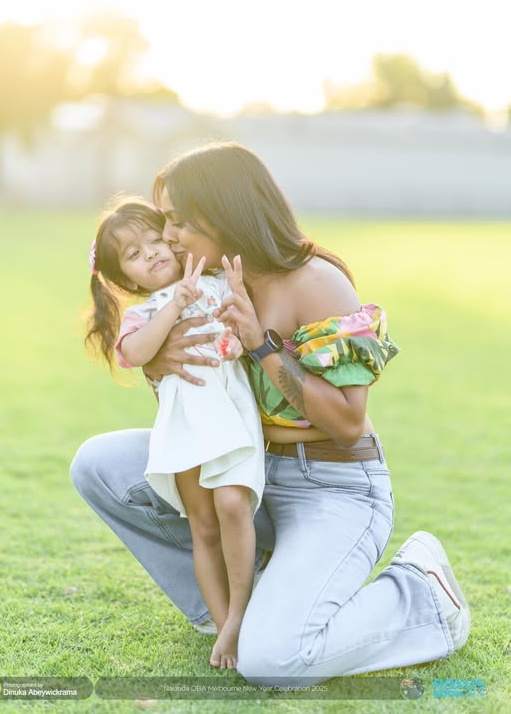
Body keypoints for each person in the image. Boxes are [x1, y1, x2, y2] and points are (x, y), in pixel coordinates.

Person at [71, 143, 470, 687]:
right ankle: (227, 615)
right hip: (252, 469)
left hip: (332, 486)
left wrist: (261, 344)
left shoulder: (316, 282)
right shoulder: (204, 285)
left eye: (179, 221)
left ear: (222, 213)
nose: (169, 237)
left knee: (272, 662)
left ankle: (421, 597)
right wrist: (158, 359)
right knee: (98, 464)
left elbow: (347, 423)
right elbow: (194, 398)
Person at [84, 195, 264, 669]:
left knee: (232, 504)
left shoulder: (216, 281)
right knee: (202, 526)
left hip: (230, 416)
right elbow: (137, 353)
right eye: (134, 254)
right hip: (184, 427)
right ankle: (224, 627)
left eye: (154, 239)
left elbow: (244, 331)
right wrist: (175, 303)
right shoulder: (144, 313)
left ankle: (240, 613)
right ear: (127, 279)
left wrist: (235, 332)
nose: (151, 253)